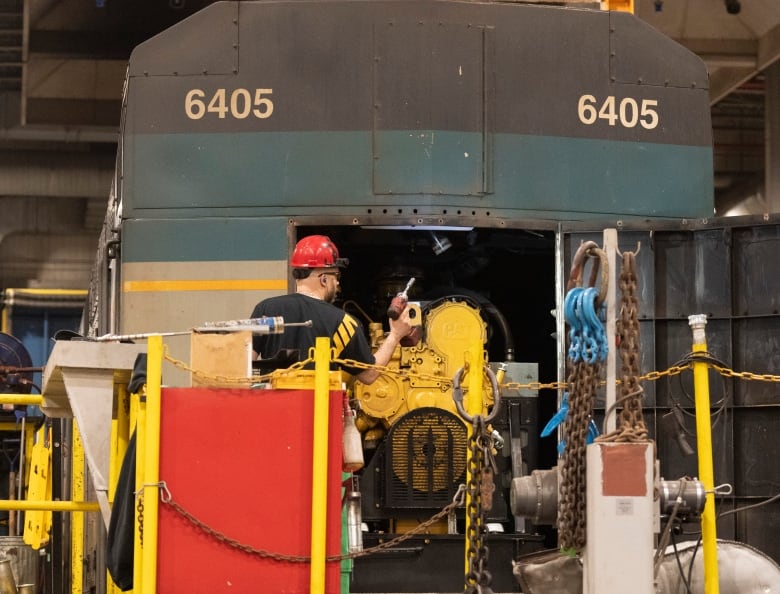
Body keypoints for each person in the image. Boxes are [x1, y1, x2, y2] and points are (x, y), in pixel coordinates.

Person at [250, 235, 412, 384]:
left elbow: (244, 364)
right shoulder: (343, 322)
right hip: (320, 411)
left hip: (271, 411)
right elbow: (368, 375)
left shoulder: (265, 309)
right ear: (324, 279)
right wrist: (395, 335)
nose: (338, 284)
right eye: (337, 277)